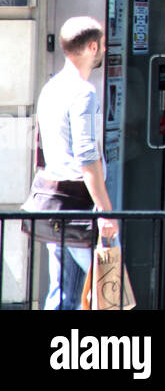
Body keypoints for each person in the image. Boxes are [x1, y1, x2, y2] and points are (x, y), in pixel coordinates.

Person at [33, 17, 118, 309]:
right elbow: (88, 157)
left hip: (57, 203)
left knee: (63, 293)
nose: (104, 50)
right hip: (82, 206)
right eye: (103, 45)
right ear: (92, 47)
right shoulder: (84, 93)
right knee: (110, 293)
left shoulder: (51, 88)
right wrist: (106, 211)